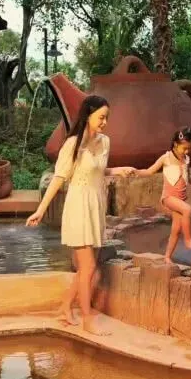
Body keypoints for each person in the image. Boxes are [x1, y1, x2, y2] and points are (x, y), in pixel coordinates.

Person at [26, 95, 134, 336]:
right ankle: (87, 320)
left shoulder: (105, 141)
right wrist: (41, 210)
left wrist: (117, 170)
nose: (105, 122)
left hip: (95, 205)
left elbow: (98, 170)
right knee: (89, 267)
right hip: (78, 207)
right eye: (101, 117)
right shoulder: (73, 144)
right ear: (88, 115)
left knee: (85, 268)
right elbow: (59, 178)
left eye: (107, 117)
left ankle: (65, 307)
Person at [134, 126, 191, 263]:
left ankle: (167, 257)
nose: (186, 151)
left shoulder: (186, 159)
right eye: (184, 148)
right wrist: (135, 172)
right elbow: (149, 171)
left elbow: (189, 177)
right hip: (168, 197)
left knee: (175, 230)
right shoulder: (166, 158)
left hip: (180, 199)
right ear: (175, 144)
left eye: (189, 149)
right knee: (187, 209)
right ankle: (188, 240)